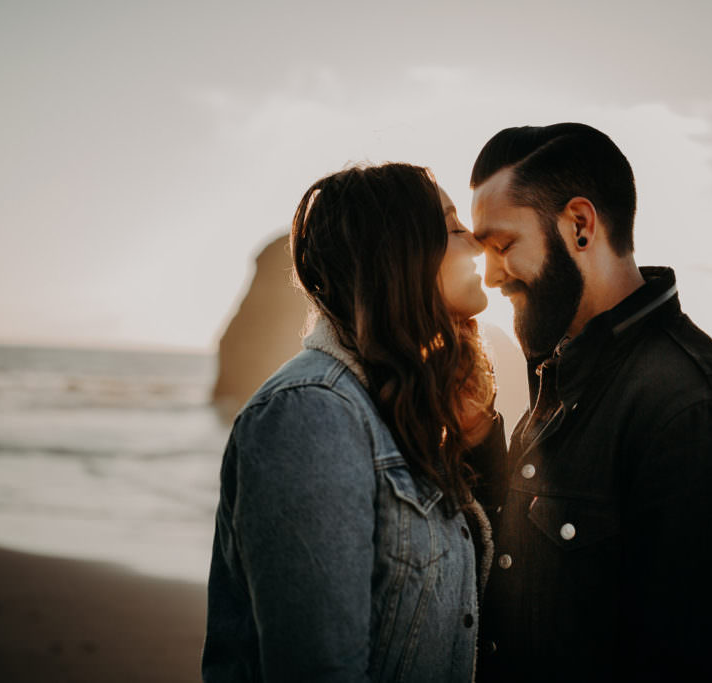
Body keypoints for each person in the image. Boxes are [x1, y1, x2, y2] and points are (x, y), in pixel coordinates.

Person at [467, 123, 712, 682]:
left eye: (502, 245)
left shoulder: (699, 411)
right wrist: (479, 442)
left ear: (580, 226)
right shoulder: (562, 370)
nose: (489, 276)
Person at [202, 163, 505, 682]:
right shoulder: (311, 414)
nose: (477, 244)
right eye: (454, 229)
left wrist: (477, 438)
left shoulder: (405, 411)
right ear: (401, 257)